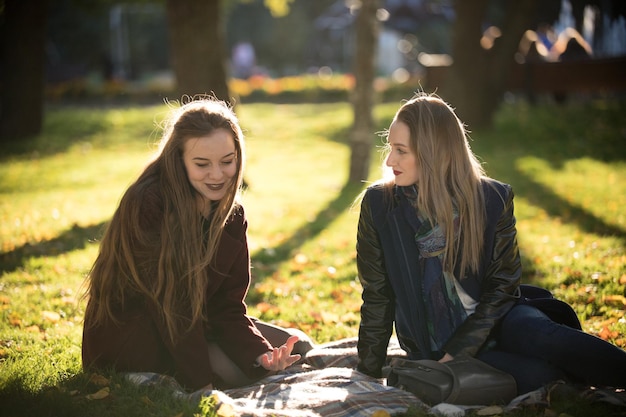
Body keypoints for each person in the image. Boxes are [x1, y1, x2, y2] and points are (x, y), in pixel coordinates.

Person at [355, 93, 626, 395]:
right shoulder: (380, 205)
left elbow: (502, 286)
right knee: (539, 375)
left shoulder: (492, 199)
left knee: (538, 335)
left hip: (499, 318)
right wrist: (366, 372)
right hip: (434, 343)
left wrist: (462, 345)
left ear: (434, 153)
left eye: (400, 151)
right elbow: (377, 295)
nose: (390, 160)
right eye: (390, 147)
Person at [82, 97, 313, 391]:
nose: (217, 175)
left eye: (227, 162)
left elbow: (227, 306)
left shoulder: (231, 213)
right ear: (178, 160)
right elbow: (171, 307)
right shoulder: (148, 203)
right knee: (263, 379)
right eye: (202, 164)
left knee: (298, 348)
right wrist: (202, 385)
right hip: (140, 336)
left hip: (198, 324)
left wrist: (261, 355)